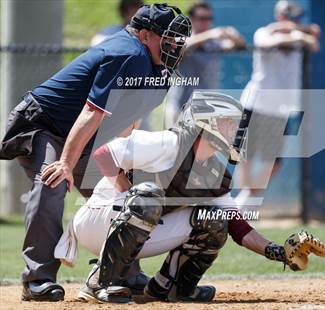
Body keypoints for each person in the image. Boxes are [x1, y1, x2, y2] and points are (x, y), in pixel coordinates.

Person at [54, 91, 325, 304]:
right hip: (98, 221)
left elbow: (238, 226)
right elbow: (104, 154)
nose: (235, 130)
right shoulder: (170, 143)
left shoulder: (214, 172)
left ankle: (170, 287)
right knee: (148, 197)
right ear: (205, 123)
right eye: (228, 123)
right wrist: (126, 191)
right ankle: (99, 281)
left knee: (215, 219)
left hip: (140, 223)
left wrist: (278, 252)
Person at [0, 3, 191, 302]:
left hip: (83, 137)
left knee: (127, 196)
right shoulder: (126, 53)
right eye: (167, 38)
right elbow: (92, 112)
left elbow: (130, 119)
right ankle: (38, 279)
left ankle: (123, 271)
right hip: (43, 125)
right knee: (52, 181)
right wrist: (65, 163)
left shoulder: (160, 70)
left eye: (176, 39)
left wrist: (120, 165)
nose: (175, 45)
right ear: (144, 35)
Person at [235, 0, 320, 209]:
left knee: (274, 162)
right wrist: (293, 33)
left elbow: (315, 41)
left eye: (294, 17)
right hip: (256, 104)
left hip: (280, 109)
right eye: (287, 16)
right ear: (279, 16)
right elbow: (265, 43)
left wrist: (297, 33)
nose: (291, 20)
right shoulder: (264, 32)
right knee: (244, 155)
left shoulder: (300, 36)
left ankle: (249, 197)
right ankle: (246, 198)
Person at [165, 1, 246, 127]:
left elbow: (239, 46)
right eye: (202, 18)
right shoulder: (182, 36)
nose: (206, 22)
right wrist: (210, 34)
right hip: (182, 107)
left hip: (207, 109)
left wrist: (234, 35)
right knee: (178, 146)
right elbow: (181, 47)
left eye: (209, 18)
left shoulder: (212, 42)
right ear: (191, 19)